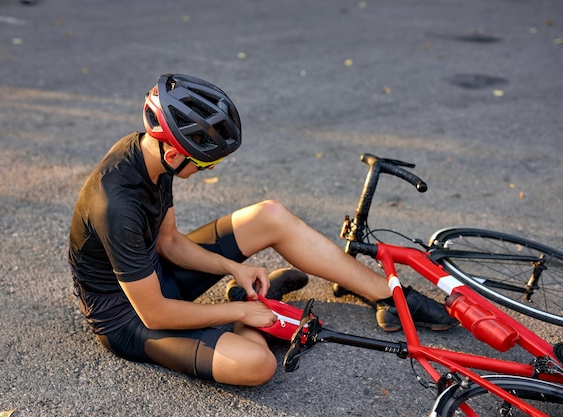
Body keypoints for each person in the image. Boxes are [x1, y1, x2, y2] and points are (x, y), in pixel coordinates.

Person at [68, 73, 457, 386]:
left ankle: (390, 297)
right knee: (256, 365)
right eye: (204, 165)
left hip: (154, 273)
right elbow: (154, 314)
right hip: (129, 317)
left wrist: (233, 269)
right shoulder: (116, 204)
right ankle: (251, 314)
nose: (211, 170)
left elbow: (169, 242)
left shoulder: (152, 157)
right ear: (173, 153)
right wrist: (240, 310)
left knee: (269, 214)